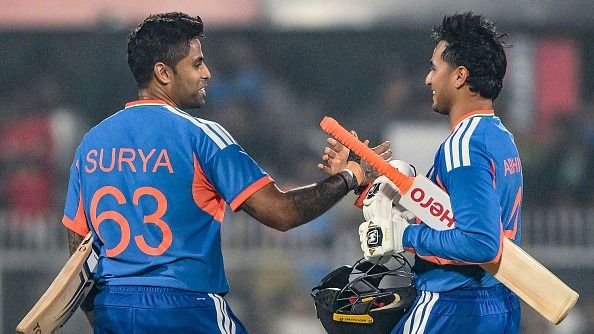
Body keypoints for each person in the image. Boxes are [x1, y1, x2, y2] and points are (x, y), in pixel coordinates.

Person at [61, 12, 390, 334]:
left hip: (114, 307)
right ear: (163, 73)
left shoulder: (92, 143)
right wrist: (350, 176)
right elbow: (281, 213)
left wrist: (98, 312)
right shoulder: (201, 136)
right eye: (197, 63)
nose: (207, 73)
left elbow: (78, 246)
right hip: (186, 306)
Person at [322, 12, 522, 333]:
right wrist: (365, 189)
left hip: (451, 302)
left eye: (434, 68)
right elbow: (443, 216)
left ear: (459, 76)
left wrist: (402, 237)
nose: (428, 79)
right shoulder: (499, 137)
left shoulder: (462, 147)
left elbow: (481, 243)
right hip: (499, 302)